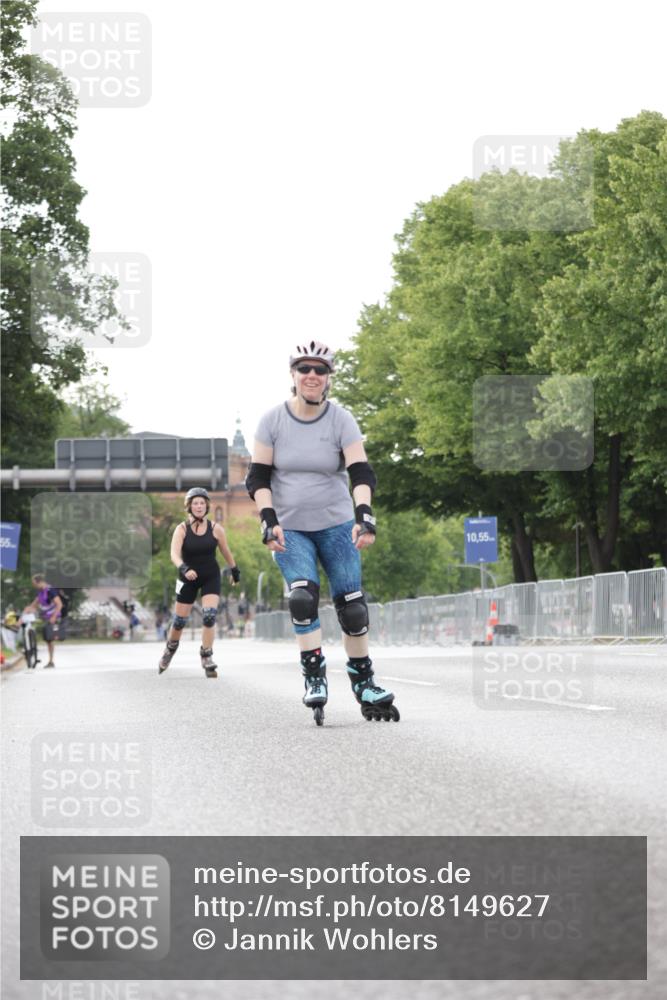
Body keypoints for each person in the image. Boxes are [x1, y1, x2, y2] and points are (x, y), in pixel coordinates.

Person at [246, 340, 399, 724]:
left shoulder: (341, 420)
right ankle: (314, 675)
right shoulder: (272, 421)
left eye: (320, 370)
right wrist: (268, 520)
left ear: (329, 378)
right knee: (302, 598)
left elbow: (360, 470)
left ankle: (364, 681)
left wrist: (364, 515)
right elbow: (257, 477)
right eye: (304, 369)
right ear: (293, 376)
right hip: (290, 527)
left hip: (337, 524)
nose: (312, 376)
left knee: (353, 605)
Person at [158, 487, 240, 678]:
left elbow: (226, 551)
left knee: (209, 616)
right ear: (189, 506)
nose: (199, 506)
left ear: (207, 506)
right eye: (195, 503)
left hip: (210, 575)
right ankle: (170, 649)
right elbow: (174, 554)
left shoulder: (216, 529)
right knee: (179, 622)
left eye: (202, 503)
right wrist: (184, 568)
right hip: (187, 577)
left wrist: (234, 569)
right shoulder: (181, 529)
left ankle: (206, 655)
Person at [22, 574, 64, 668]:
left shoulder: (50, 591)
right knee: (47, 639)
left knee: (49, 639)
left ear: (39, 582)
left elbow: (59, 604)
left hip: (53, 617)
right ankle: (31, 648)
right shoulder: (40, 592)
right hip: (45, 616)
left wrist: (54, 617)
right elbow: (34, 604)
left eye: (34, 584)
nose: (34, 586)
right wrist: (27, 611)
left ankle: (51, 661)